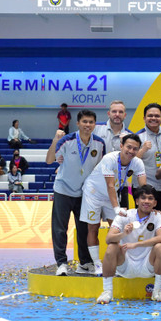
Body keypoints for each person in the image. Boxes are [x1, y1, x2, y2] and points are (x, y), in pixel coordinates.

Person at [46, 110, 105, 276]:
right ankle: (62, 263)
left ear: (95, 124)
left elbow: (101, 168)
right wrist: (54, 141)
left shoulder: (99, 143)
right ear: (78, 123)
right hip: (63, 190)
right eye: (84, 121)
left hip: (85, 193)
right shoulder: (66, 140)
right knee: (59, 229)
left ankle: (85, 263)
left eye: (91, 122)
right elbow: (49, 160)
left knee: (84, 229)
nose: (88, 125)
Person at [81, 134, 147, 274]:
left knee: (117, 228)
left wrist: (147, 206)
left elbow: (143, 187)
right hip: (94, 193)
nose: (131, 151)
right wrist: (116, 208)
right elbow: (110, 185)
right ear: (121, 146)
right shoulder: (109, 159)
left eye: (135, 149)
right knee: (93, 227)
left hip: (111, 194)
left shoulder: (137, 162)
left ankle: (119, 261)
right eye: (128, 147)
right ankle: (97, 264)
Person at [95, 185, 161, 304]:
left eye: (150, 198)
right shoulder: (125, 216)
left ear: (155, 203)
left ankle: (157, 291)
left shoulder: (158, 216)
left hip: (147, 264)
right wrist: (124, 234)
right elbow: (109, 238)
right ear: (137, 201)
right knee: (112, 247)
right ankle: (107, 292)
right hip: (125, 263)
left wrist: (136, 244)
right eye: (143, 198)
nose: (146, 201)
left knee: (160, 247)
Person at [136, 103, 161, 212]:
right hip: (144, 186)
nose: (153, 118)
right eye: (150, 116)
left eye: (157, 116)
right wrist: (142, 150)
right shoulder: (138, 136)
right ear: (144, 118)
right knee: (143, 219)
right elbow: (132, 162)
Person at [93, 100, 132, 208]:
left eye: (120, 112)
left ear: (125, 115)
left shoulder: (130, 136)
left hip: (120, 184)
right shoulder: (95, 129)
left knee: (121, 220)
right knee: (93, 222)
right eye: (114, 111)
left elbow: (132, 161)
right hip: (97, 182)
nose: (117, 114)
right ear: (108, 113)